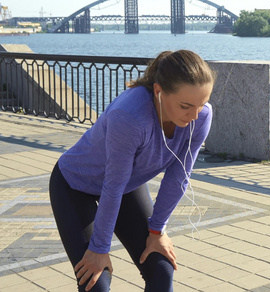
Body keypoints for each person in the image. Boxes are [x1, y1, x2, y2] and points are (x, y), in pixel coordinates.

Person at [49, 49, 216, 292]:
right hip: (75, 184)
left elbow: (179, 176)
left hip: (126, 185)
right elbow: (112, 185)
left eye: (201, 105)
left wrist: (157, 230)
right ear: (159, 91)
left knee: (161, 269)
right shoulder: (129, 117)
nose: (194, 116)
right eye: (185, 106)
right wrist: (99, 249)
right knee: (96, 282)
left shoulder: (201, 116)